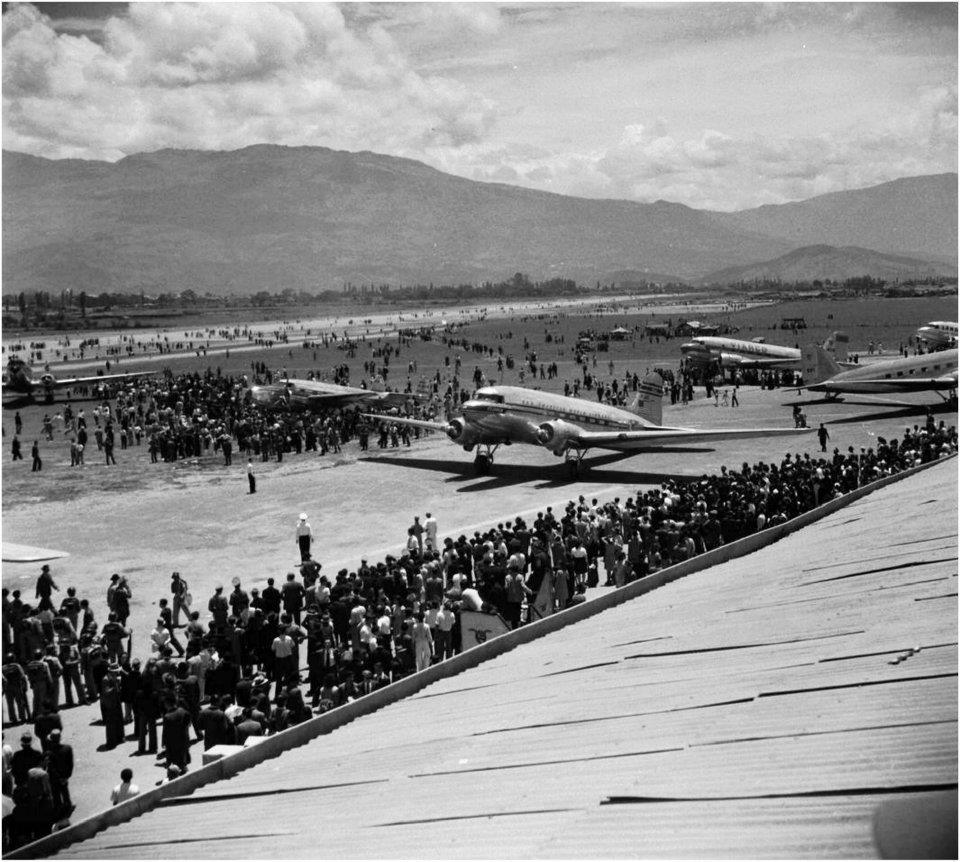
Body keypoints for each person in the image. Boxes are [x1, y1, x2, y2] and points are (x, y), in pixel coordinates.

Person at [42, 728, 73, 817]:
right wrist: (66, 776)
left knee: (56, 795)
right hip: (64, 775)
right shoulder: (67, 748)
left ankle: (59, 811)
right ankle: (68, 807)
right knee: (65, 792)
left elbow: (49, 767)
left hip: (54, 777)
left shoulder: (48, 753)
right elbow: (70, 764)